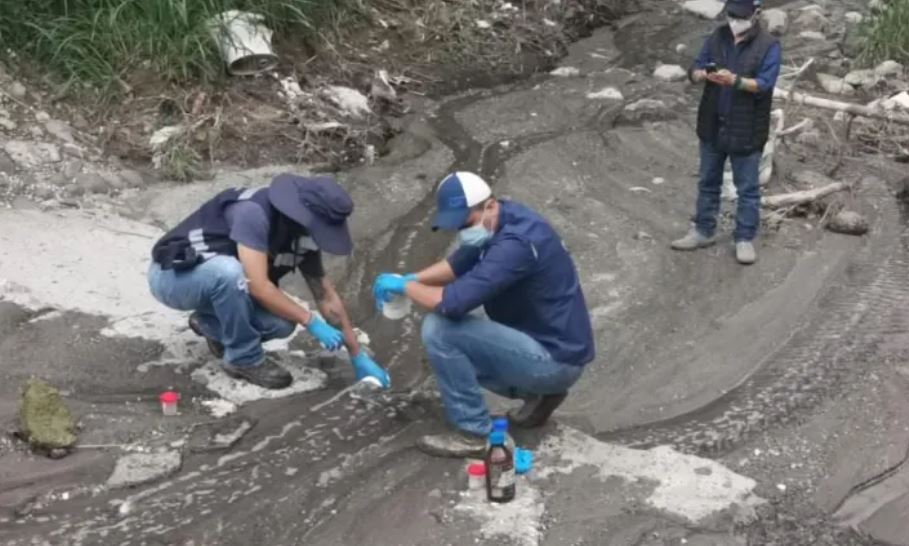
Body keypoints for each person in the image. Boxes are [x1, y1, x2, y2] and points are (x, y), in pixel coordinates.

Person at [372, 172, 595, 458]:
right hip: (555, 347)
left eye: (465, 223)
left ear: (489, 205)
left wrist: (406, 286)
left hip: (553, 360)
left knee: (440, 331)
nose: (463, 232)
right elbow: (458, 264)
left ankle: (473, 433)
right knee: (448, 338)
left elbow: (453, 303)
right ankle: (540, 397)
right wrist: (412, 278)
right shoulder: (505, 218)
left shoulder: (515, 245)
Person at [148, 173, 389, 390]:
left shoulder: (303, 237)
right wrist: (311, 321)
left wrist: (357, 354)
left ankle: (211, 325)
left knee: (282, 324)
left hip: (223, 289)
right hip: (174, 278)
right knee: (230, 272)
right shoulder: (253, 213)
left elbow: (325, 295)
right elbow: (258, 286)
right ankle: (244, 359)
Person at [671, 0, 781, 265]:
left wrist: (737, 81)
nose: (734, 20)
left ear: (755, 14)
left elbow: (765, 84)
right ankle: (703, 230)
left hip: (747, 127)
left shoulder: (768, 46)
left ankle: (744, 238)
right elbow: (695, 68)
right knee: (708, 181)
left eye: (740, 16)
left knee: (748, 189)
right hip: (712, 122)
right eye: (731, 15)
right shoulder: (717, 36)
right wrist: (701, 75)